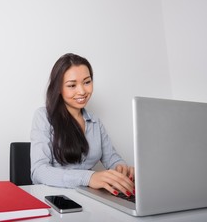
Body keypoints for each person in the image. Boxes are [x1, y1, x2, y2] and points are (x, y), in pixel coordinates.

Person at [30, 53, 135, 197]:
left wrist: (121, 169)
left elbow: (112, 158)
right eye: (72, 85)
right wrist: (89, 177)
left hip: (89, 197)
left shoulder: (95, 122)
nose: (82, 91)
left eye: (87, 82)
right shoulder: (44, 116)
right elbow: (39, 172)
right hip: (56, 198)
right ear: (59, 88)